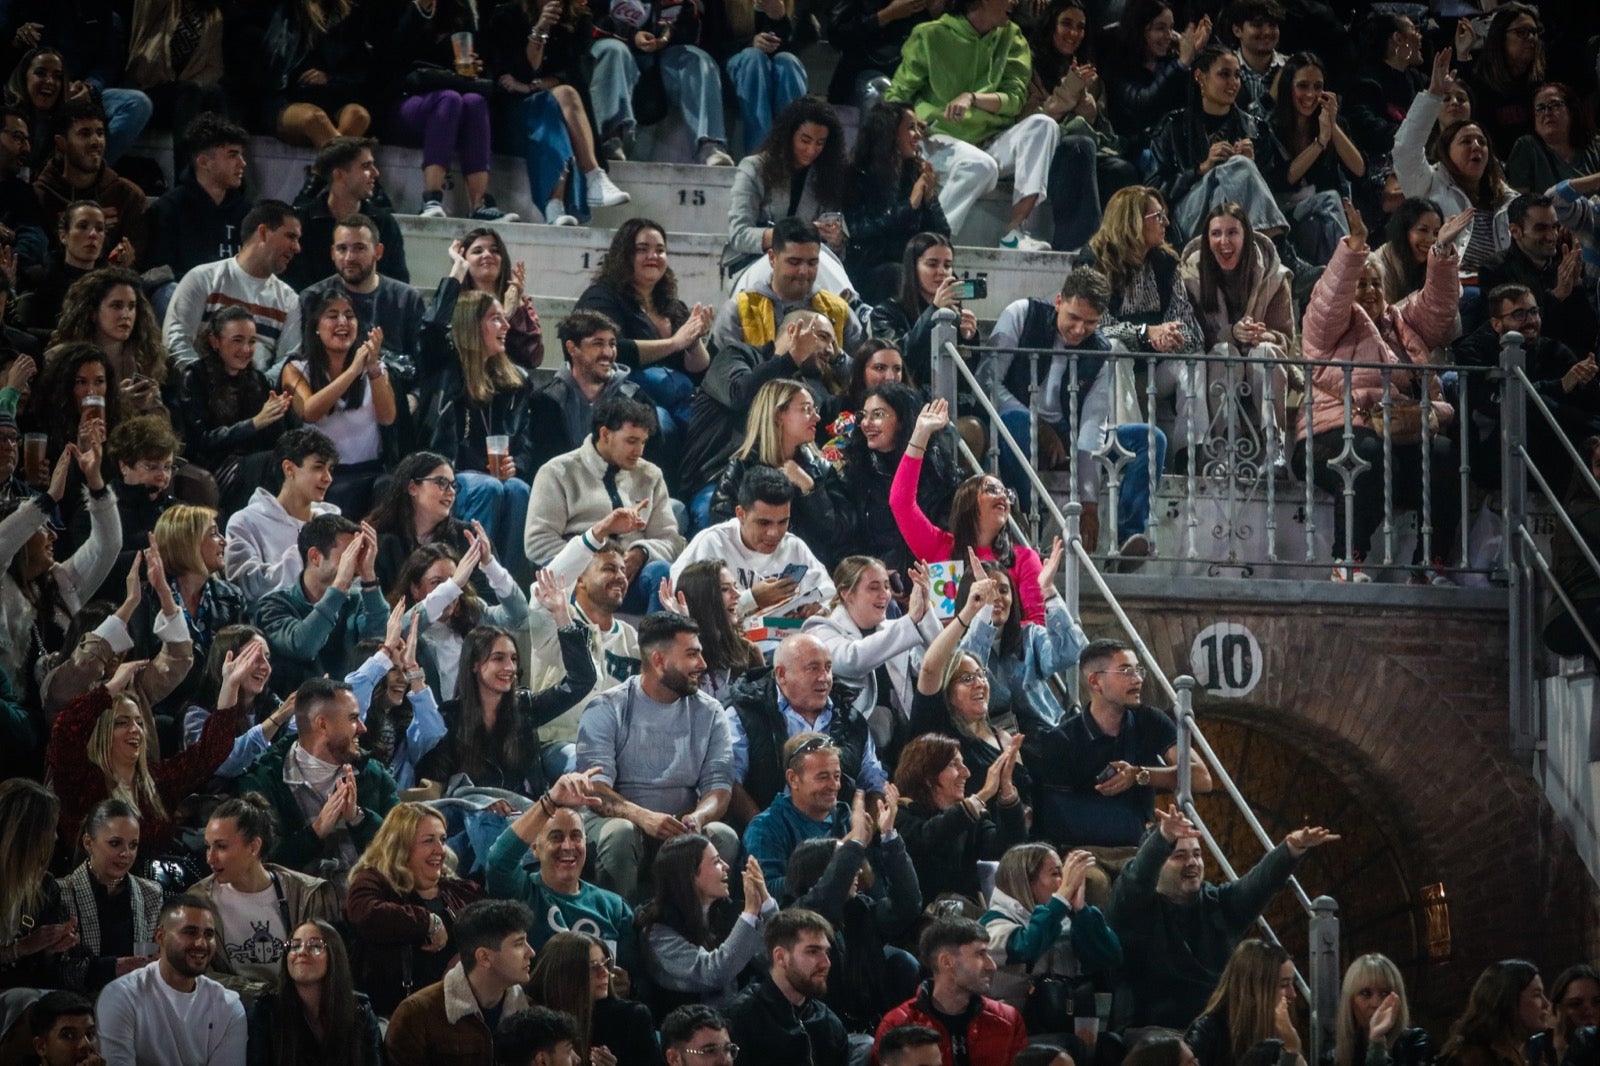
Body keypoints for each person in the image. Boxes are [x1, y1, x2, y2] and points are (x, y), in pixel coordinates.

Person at [1294, 204, 1461, 582]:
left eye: (1376, 284)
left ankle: (1428, 565)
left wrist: (1442, 252)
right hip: (1328, 435)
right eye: (1361, 284)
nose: (1369, 291)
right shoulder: (1326, 326)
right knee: (1367, 454)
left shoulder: (1401, 321)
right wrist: (1354, 248)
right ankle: (1346, 561)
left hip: (1397, 432)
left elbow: (1438, 307)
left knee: (1444, 456)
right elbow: (1330, 298)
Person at [1107, 803, 1338, 1029]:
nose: (1192, 863)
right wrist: (1163, 838)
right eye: (1179, 856)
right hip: (1153, 1033)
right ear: (1158, 863)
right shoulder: (1134, 908)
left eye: (1197, 854)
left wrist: (1291, 849)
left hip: (1216, 1031)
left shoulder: (1218, 903)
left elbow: (1258, 886)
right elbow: (1137, 879)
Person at [577, 613, 739, 901]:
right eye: (692, 654)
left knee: (722, 835)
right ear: (659, 661)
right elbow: (595, 790)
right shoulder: (607, 707)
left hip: (680, 827)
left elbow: (719, 788)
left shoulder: (711, 712)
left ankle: (700, 924)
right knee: (620, 833)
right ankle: (620, 925)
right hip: (619, 821)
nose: (702, 664)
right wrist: (645, 818)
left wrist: (698, 817)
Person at [1027, 638, 1213, 879]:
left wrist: (1139, 775)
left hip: (1137, 849)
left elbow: (1201, 778)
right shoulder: (1063, 739)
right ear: (1095, 681)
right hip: (1085, 851)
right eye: (1126, 671)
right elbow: (1055, 819)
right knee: (1095, 882)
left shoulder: (1150, 720)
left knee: (1177, 876)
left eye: (1138, 670)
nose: (1138, 679)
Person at [882, 0, 1057, 249]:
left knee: (1044, 125)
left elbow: (1015, 99)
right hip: (937, 137)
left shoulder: (1013, 37)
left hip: (989, 140)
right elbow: (896, 96)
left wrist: (972, 98)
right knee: (980, 165)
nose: (1015, 1)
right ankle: (929, 243)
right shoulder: (931, 34)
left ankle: (1014, 233)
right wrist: (911, 119)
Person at [234, 677, 399, 893]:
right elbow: (262, 863)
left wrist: (359, 819)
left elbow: (401, 851)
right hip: (296, 906)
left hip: (368, 902)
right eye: (353, 718)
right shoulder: (264, 781)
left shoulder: (375, 776)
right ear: (322, 724)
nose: (362, 728)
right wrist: (315, 832)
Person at [415, 270, 533, 565]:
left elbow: (524, 442)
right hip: (448, 475)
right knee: (486, 487)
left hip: (493, 478)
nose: (506, 325)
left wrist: (515, 464)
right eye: (495, 319)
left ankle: (506, 579)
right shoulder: (446, 369)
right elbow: (431, 328)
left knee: (518, 489)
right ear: (471, 326)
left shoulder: (515, 382)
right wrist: (455, 274)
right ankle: (471, 574)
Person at [525, 396, 683, 612]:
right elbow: (538, 543)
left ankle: (661, 635)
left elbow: (671, 540)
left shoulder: (651, 475)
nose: (639, 451)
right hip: (579, 578)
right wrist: (593, 563)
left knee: (661, 573)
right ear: (605, 434)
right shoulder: (557, 472)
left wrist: (641, 553)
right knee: (565, 577)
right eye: (631, 441)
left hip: (629, 577)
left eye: (643, 442)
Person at [892, 401, 1047, 621]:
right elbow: (900, 502)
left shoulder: (1024, 559)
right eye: (992, 490)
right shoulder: (939, 546)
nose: (1003, 497)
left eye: (1006, 493)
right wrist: (921, 434)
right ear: (967, 501)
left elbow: (1037, 623)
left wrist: (990, 632)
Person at [417, 611, 596, 800]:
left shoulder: (525, 708)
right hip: (474, 812)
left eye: (513, 659)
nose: (510, 667)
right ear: (474, 664)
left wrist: (562, 616)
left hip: (530, 810)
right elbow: (438, 783)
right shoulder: (449, 718)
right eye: (498, 658)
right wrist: (483, 803)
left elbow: (581, 681)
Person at [683, 308, 840, 522]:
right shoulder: (736, 355)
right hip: (715, 478)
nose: (830, 350)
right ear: (793, 331)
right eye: (822, 337)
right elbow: (739, 396)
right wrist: (790, 358)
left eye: (833, 343)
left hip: (777, 482)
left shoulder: (807, 389)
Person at [488, 0, 631, 227]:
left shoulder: (580, 18)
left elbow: (577, 73)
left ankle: (556, 206)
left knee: (558, 105)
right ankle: (592, 177)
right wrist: (540, 29)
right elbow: (516, 72)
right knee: (561, 99)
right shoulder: (507, 15)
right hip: (513, 115)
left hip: (553, 109)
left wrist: (531, 87)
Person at [574, 219, 711, 449]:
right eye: (642, 249)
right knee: (660, 424)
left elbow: (700, 372)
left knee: (710, 424)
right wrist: (674, 343)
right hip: (623, 397)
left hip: (679, 400)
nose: (653, 256)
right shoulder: (601, 297)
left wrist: (693, 341)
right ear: (624, 255)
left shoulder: (673, 306)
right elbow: (616, 350)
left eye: (660, 250)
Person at [345, 802, 487, 1017]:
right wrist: (429, 922)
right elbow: (363, 912)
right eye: (429, 840)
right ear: (400, 845)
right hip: (392, 1015)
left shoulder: (461, 890)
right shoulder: (375, 881)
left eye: (442, 839)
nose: (440, 850)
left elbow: (495, 930)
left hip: (458, 1014)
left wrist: (468, 957)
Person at [192, 793, 335, 1002]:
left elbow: (329, 966)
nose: (210, 858)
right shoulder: (197, 901)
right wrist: (262, 995)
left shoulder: (305, 893)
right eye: (208, 846)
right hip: (230, 1012)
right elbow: (196, 975)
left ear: (253, 847)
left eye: (221, 846)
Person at [801, 556, 940, 769]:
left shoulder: (893, 629)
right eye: (874, 587)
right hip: (850, 746)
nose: (884, 594)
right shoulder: (820, 629)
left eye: (886, 586)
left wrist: (925, 611)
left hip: (902, 740)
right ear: (846, 593)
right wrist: (910, 619)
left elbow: (931, 663)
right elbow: (853, 660)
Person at [486, 770, 638, 966]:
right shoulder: (522, 892)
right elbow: (498, 861)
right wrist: (549, 802)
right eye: (556, 837)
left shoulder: (614, 907)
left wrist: (624, 980)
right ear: (535, 849)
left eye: (575, 836)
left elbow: (635, 973)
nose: (567, 846)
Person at [383, 0, 516, 222]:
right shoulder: (397, 8)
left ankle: (479, 204)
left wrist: (472, 65)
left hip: (446, 94)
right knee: (449, 99)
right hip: (402, 99)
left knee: (475, 102)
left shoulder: (459, 8)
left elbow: (466, 54)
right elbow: (389, 56)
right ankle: (432, 199)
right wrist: (419, 9)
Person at [1026, 0, 1138, 252]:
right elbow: (1032, 119)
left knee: (1122, 170)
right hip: (1043, 149)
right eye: (1066, 24)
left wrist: (1086, 100)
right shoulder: (1030, 66)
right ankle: (1080, 246)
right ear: (1050, 26)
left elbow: (1098, 122)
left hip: (1085, 145)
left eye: (1080, 27)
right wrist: (1070, 90)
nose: (1074, 33)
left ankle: (1120, 250)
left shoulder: (1089, 72)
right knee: (1079, 146)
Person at [673, 467, 835, 632]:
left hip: (788, 640)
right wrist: (752, 599)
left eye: (782, 522)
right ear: (741, 514)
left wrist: (821, 610)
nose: (774, 533)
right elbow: (686, 609)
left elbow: (831, 596)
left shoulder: (794, 547)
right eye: (764, 523)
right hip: (729, 642)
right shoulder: (711, 543)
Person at [1393, 51, 1514, 273]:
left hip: (1502, 284)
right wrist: (1434, 94)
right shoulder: (1429, 184)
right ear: (1446, 153)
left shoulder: (1506, 196)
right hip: (1452, 283)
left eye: (1481, 142)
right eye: (1466, 141)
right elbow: (1405, 149)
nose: (1476, 146)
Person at [710, 378, 851, 567]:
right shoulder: (742, 468)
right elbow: (723, 530)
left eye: (815, 409)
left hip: (814, 571)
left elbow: (839, 533)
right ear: (778, 415)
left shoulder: (821, 468)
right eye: (806, 409)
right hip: (756, 571)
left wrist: (811, 489)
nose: (817, 417)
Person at [95, 895, 248, 1066]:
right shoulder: (121, 996)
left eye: (208, 934)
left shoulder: (228, 1005)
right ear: (160, 936)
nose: (201, 943)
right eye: (190, 932)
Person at [283, 289, 396, 518]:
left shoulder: (375, 368)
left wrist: (372, 368)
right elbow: (310, 411)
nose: (342, 322)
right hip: (322, 477)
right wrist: (353, 371)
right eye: (332, 315)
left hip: (369, 473)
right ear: (316, 326)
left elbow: (387, 417)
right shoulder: (296, 369)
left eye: (349, 316)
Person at [383, 899, 537, 1066]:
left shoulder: (530, 1011)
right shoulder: (417, 1015)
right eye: (519, 944)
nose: (531, 952)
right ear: (484, 957)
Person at [982, 842, 1120, 1022]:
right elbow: (1027, 946)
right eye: (1055, 874)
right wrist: (1061, 899)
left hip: (1069, 1024)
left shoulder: (1068, 918)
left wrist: (1081, 911)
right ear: (1026, 881)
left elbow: (1109, 958)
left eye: (1065, 874)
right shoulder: (991, 925)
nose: (1064, 883)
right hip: (1014, 1028)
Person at [253, 514, 389, 695]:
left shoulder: (357, 600)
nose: (354, 564)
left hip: (350, 705)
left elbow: (379, 640)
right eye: (349, 555)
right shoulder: (272, 606)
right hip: (294, 708)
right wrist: (339, 586)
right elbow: (303, 645)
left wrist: (369, 577)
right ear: (315, 556)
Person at [589, 0, 735, 168]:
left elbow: (693, 30)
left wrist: (667, 35)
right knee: (614, 51)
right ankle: (609, 139)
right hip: (612, 49)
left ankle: (711, 145)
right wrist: (632, 35)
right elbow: (591, 19)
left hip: (660, 58)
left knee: (699, 60)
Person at [723, 96, 851, 286]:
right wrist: (796, 234)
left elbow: (836, 251)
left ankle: (849, 302)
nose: (811, 150)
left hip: (808, 268)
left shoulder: (826, 177)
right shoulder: (754, 168)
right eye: (805, 140)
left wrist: (836, 238)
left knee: (822, 263)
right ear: (789, 135)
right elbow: (739, 235)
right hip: (755, 261)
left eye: (820, 143)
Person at [162, 199, 303, 371]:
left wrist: (259, 384)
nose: (297, 248)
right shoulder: (203, 279)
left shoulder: (289, 300)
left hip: (258, 386)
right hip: (199, 382)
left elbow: (288, 362)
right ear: (263, 232)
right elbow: (175, 340)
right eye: (291, 236)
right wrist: (200, 380)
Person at [178, 308, 294, 515]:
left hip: (256, 462)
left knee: (293, 458)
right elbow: (201, 441)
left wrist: (277, 415)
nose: (246, 349)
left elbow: (276, 440)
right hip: (213, 465)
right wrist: (254, 424)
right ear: (215, 341)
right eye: (237, 340)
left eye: (252, 341)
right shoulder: (195, 377)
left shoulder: (257, 379)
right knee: (271, 463)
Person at [841, 383, 960, 584]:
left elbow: (948, 536)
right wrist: (878, 575)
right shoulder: (854, 473)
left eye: (878, 414)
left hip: (934, 580)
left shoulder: (938, 470)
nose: (866, 423)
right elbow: (849, 541)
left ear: (902, 421)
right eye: (864, 415)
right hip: (879, 584)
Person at [639, 833, 774, 1008]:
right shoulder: (657, 932)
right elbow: (713, 973)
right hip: (691, 1022)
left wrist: (766, 901)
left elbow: (775, 957)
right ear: (690, 875)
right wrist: (750, 912)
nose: (726, 866)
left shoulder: (727, 912)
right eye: (716, 861)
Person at [958, 545, 1085, 730]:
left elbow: (1070, 653)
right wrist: (985, 612)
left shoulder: (1030, 635)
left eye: (1003, 590)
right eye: (988, 592)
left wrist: (1049, 591)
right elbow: (967, 667)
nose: (996, 598)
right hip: (990, 739)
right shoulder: (957, 645)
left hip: (1044, 733)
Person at [892, 732, 1025, 906]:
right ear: (928, 776)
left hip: (967, 915)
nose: (966, 773)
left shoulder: (971, 818)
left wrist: (1006, 788)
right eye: (954, 765)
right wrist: (984, 794)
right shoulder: (899, 815)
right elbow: (929, 837)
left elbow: (1008, 849)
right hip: (922, 918)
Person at [391, 534, 529, 700]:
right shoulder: (403, 622)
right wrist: (453, 585)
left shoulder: (475, 613)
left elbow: (518, 616)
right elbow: (404, 628)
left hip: (474, 711)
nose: (451, 592)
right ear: (415, 589)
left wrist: (490, 565)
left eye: (453, 580)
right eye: (437, 582)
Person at [297, 215, 429, 388]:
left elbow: (423, 365)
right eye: (342, 249)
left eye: (359, 248)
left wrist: (414, 398)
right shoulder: (312, 298)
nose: (349, 257)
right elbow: (302, 360)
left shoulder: (407, 299)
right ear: (332, 253)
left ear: (378, 251)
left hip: (394, 395)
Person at [875, 916, 1027, 1066]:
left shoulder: (1008, 1020)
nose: (991, 966)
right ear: (946, 961)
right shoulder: (897, 1025)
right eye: (980, 954)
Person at [845, 102, 951, 304]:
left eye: (918, 128)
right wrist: (910, 205)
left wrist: (929, 199)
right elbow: (861, 230)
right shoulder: (859, 175)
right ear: (890, 134)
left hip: (910, 266)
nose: (918, 135)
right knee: (897, 274)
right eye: (911, 128)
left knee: (946, 277)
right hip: (871, 269)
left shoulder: (914, 173)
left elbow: (942, 235)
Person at [740, 733, 871, 894]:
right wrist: (846, 848)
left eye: (836, 776)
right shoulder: (766, 827)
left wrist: (862, 848)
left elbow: (868, 886)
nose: (834, 785)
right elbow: (768, 892)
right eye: (823, 777)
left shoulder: (845, 818)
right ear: (793, 779)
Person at [1266, 52, 1365, 266]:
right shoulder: (1271, 126)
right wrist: (1320, 142)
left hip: (1320, 220)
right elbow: (1285, 179)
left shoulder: (1333, 124)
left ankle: (1336, 275)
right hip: (1287, 218)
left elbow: (1358, 169)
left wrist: (1332, 126)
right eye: (1302, 86)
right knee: (1329, 199)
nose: (1311, 94)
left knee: (1321, 220)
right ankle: (1352, 268)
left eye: (1318, 87)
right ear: (1288, 88)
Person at [710, 217, 864, 354]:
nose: (804, 271)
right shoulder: (739, 311)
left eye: (812, 263)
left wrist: (836, 359)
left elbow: (861, 370)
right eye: (794, 262)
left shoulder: (839, 311)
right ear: (772, 258)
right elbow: (722, 372)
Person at [54, 798, 160, 996]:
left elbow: (150, 960)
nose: (126, 854)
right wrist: (113, 967)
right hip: (80, 1004)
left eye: (133, 845)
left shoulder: (151, 893)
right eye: (115, 843)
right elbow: (58, 971)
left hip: (134, 1001)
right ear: (88, 842)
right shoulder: (61, 893)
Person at [223, 428, 340, 601]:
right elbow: (245, 587)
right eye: (318, 467)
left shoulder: (334, 526)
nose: (328, 478)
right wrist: (303, 554)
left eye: (330, 469)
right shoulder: (246, 522)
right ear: (289, 468)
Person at [247, 920, 382, 1066]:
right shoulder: (266, 1011)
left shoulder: (360, 1012)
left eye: (315, 946)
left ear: (334, 955)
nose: (302, 952)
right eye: (295, 946)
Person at [1479, 193, 1599, 357]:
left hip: (1574, 360)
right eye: (1541, 228)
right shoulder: (1495, 270)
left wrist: (1576, 287)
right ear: (1515, 231)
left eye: (1555, 227)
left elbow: (1589, 335)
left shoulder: (1567, 264)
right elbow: (1514, 335)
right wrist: (1557, 295)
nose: (1551, 236)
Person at [725, 909, 849, 1066]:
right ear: (780, 957)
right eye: (813, 951)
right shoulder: (740, 1020)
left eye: (826, 952)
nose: (826, 963)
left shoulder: (829, 1023)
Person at [284, 138, 409, 293]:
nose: (376, 173)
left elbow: (398, 286)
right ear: (339, 175)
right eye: (366, 166)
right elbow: (293, 284)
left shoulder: (384, 223)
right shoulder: (302, 223)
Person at [143, 112, 252, 282]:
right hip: (187, 292)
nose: (242, 163)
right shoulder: (168, 209)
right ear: (204, 162)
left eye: (241, 155)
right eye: (232, 155)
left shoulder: (247, 211)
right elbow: (161, 273)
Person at [528, 310, 645, 468]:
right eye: (598, 344)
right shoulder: (545, 401)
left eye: (612, 344)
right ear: (572, 348)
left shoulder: (636, 400)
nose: (608, 352)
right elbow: (541, 465)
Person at [253, 0, 374, 149]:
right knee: (315, 119)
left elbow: (357, 68)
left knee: (358, 116)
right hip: (287, 97)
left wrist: (330, 77)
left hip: (332, 94)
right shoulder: (287, 8)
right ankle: (339, 160)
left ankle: (331, 161)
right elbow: (272, 63)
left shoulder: (348, 12)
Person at [31, 101, 146, 256]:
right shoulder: (39, 196)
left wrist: (126, 263)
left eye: (100, 133)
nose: (96, 142)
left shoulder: (128, 196)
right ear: (61, 143)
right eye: (85, 134)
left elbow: (139, 257)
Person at [526, 930, 657, 1066]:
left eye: (605, 963)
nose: (604, 972)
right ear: (565, 975)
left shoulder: (631, 1017)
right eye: (593, 966)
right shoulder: (538, 1021)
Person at [866, 233, 980, 384]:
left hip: (946, 395)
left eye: (947, 265)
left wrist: (968, 340)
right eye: (932, 264)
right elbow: (901, 359)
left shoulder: (954, 316)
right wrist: (934, 310)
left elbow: (966, 381)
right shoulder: (885, 313)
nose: (942, 272)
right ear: (913, 267)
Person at [1105, 0, 1211, 157]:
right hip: (1137, 149)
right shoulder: (1118, 64)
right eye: (1160, 28)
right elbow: (1142, 105)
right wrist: (1181, 65)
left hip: (1176, 147)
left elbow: (1197, 104)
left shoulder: (1171, 61)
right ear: (1138, 29)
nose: (1169, 36)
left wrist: (1196, 55)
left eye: (1171, 28)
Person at [365, 452, 474, 595]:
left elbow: (486, 597)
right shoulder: (381, 543)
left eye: (453, 485)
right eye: (441, 482)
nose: (451, 492)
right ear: (412, 487)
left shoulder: (467, 535)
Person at [1185, 938, 1304, 1066]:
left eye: (1292, 983)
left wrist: (1291, 1050)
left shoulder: (1283, 1030)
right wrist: (1291, 1051)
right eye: (1284, 985)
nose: (1293, 994)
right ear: (1253, 989)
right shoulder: (1208, 1033)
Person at [664, 560, 763, 703]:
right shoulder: (675, 654)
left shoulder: (749, 652)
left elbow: (762, 708)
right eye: (725, 589)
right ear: (702, 598)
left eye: (735, 587)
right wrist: (684, 628)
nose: (737, 595)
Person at [18, 202, 120, 335]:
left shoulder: (114, 284)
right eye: (83, 226)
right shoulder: (36, 279)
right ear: (63, 235)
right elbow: (20, 333)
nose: (93, 234)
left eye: (100, 229)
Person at [1458, 4, 1543, 153]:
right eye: (1521, 32)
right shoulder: (1480, 83)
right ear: (1500, 37)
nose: (1531, 38)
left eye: (1534, 32)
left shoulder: (1542, 83)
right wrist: (1462, 54)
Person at [1438, 960, 1553, 1066]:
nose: (1546, 1003)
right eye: (1537, 995)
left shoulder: (1515, 1054)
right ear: (1509, 1001)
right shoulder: (1473, 1059)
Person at [1329, 953, 1433, 1066]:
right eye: (1366, 993)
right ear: (1350, 1001)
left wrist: (1377, 1043)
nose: (1376, 1003)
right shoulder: (1333, 1058)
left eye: (1385, 993)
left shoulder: (1415, 1043)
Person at [1506, 83, 1600, 194]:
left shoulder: (1594, 145)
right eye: (1540, 108)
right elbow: (1519, 201)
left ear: (1571, 111)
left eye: (1555, 105)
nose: (1547, 112)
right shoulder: (1527, 147)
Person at [1373, 198, 1449, 306]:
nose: (1431, 239)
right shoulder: (1380, 263)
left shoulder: (1437, 254)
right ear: (1404, 231)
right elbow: (1382, 313)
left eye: (1436, 233)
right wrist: (1426, 295)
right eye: (1423, 230)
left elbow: (1451, 299)